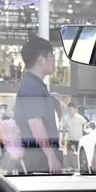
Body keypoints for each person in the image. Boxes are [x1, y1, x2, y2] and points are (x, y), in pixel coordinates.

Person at [14, 37, 62, 174]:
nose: (53, 60)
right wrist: (51, 156)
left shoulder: (33, 84)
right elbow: (35, 123)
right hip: (38, 161)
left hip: (37, 158)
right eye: (51, 56)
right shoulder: (32, 86)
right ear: (41, 59)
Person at [60, 101, 87, 170]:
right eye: (69, 109)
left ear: (75, 109)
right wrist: (63, 139)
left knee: (79, 154)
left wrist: (86, 137)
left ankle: (79, 167)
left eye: (71, 109)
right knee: (69, 153)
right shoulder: (66, 118)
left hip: (79, 139)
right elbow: (64, 129)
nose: (70, 111)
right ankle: (72, 167)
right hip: (70, 139)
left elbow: (86, 125)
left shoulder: (80, 117)